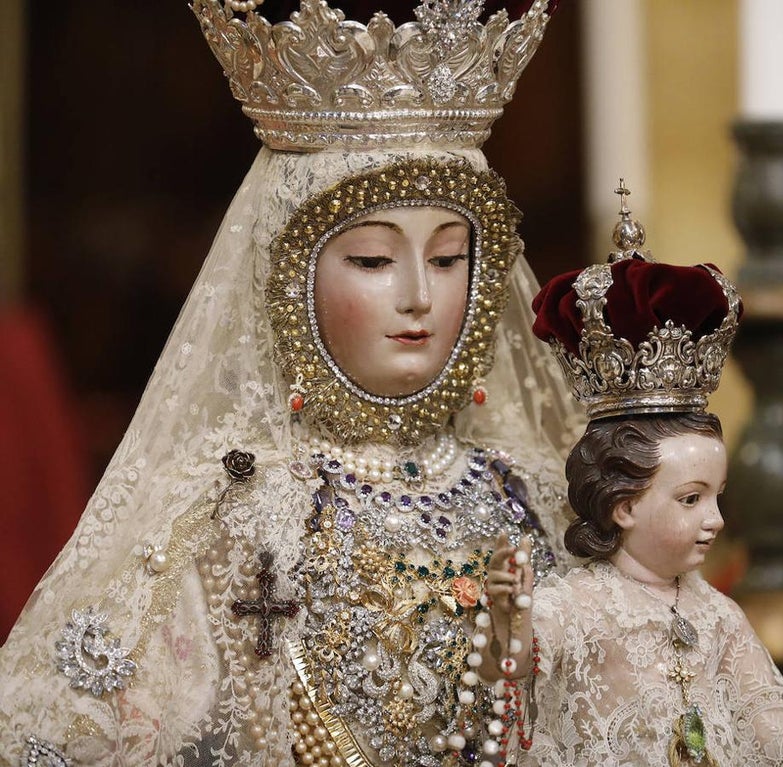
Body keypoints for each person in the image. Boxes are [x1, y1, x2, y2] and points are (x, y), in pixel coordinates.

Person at [0, 2, 583, 766]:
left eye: (448, 259)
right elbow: (64, 727)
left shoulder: (539, 491)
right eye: (373, 260)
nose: (419, 295)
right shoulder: (225, 508)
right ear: (293, 276)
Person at [476, 189, 783, 766]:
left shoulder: (717, 614)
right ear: (622, 503)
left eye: (716, 496)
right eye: (690, 499)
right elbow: (513, 670)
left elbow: (775, 723)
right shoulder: (578, 607)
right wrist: (508, 623)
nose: (715, 521)